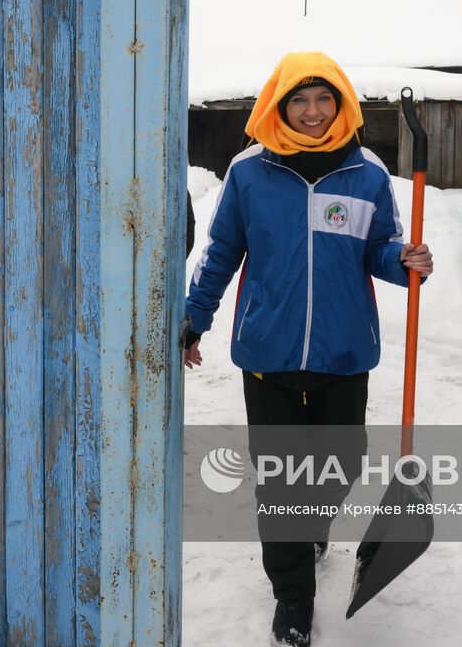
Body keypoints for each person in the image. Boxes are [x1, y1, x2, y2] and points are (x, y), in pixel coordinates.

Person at [183, 51, 433, 647]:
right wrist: (196, 317)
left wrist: (402, 261)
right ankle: (293, 601)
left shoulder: (366, 173)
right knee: (280, 484)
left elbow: (377, 247)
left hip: (343, 353)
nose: (313, 112)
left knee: (341, 463)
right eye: (300, 100)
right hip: (269, 354)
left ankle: (314, 522)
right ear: (279, 105)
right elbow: (222, 254)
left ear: (341, 103)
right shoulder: (249, 172)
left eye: (324, 99)